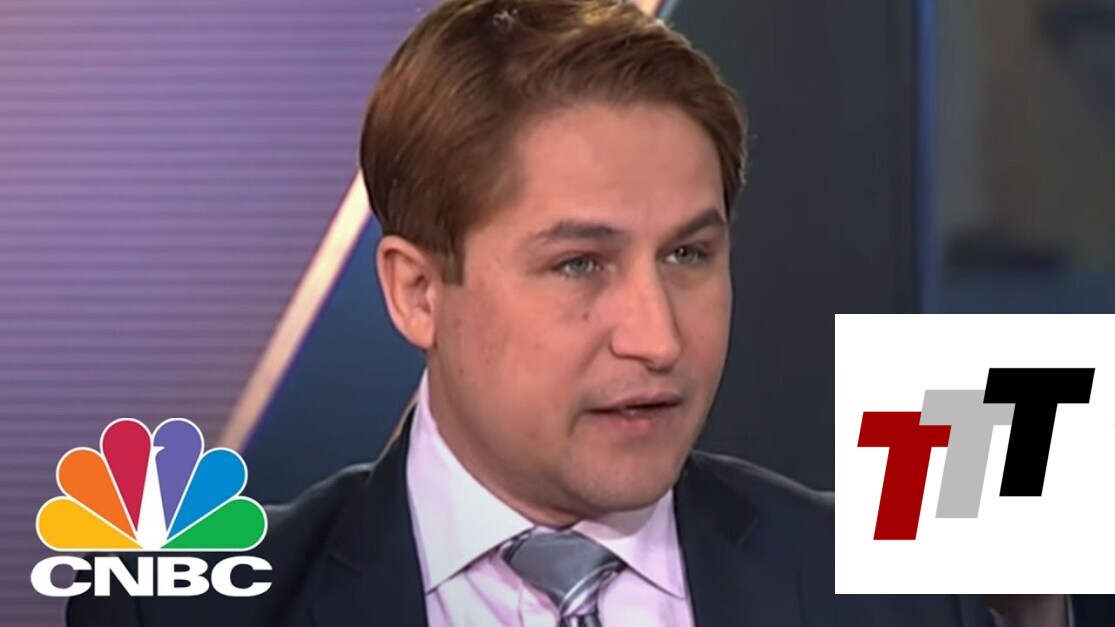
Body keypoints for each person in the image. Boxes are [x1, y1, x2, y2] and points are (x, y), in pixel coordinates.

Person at [69, 0, 998, 625]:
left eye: (687, 254)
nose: (658, 338)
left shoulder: (899, 592)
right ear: (416, 292)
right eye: (578, 264)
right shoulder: (180, 610)